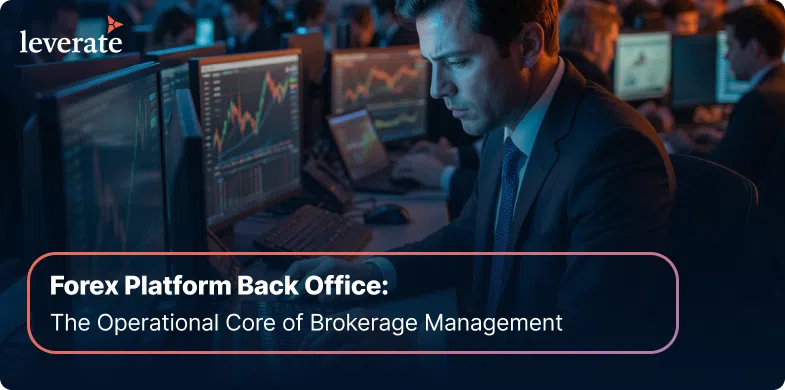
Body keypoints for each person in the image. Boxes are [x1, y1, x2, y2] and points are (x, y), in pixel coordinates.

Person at [285, 0, 675, 359]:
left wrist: (412, 342)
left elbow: (584, 341)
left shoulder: (613, 151)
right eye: (431, 63)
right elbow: (473, 236)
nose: (438, 89)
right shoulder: (507, 117)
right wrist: (367, 275)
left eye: (456, 61)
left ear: (527, 45)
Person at [702, 4, 785, 307]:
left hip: (758, 240)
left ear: (754, 48)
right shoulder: (779, 88)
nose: (726, 56)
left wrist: (673, 152)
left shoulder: (760, 101)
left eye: (731, 46)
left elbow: (723, 173)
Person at [558, 1, 622, 91]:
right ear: (596, 41)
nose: (612, 54)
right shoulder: (596, 88)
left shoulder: (551, 75)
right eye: (612, 42)